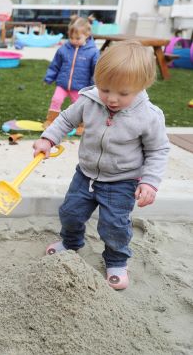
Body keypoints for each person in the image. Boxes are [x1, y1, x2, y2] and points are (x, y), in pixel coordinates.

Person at [33, 41, 170, 290]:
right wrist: (48, 138)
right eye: (105, 89)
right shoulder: (89, 100)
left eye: (123, 93)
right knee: (70, 213)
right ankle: (71, 243)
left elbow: (158, 150)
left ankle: (117, 260)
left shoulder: (148, 116)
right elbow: (65, 119)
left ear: (142, 87)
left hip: (122, 181)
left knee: (114, 225)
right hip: (86, 175)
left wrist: (150, 181)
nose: (112, 99)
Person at [43, 16, 100, 135]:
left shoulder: (93, 51)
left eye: (78, 38)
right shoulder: (64, 49)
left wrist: (94, 85)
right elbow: (55, 65)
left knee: (79, 106)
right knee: (56, 100)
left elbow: (96, 70)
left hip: (80, 87)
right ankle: (51, 120)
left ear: (87, 34)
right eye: (71, 38)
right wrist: (49, 78)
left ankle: (81, 124)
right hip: (62, 84)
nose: (74, 40)